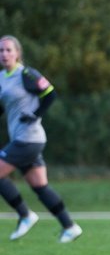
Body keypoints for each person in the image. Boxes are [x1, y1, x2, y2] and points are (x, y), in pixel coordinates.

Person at [0, 35, 83, 243]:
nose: (4, 54)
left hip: (29, 139)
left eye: (9, 50)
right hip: (21, 138)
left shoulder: (26, 74)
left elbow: (50, 94)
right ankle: (70, 226)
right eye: (1, 50)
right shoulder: (2, 78)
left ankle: (25, 215)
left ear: (18, 53)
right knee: (40, 186)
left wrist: (35, 115)